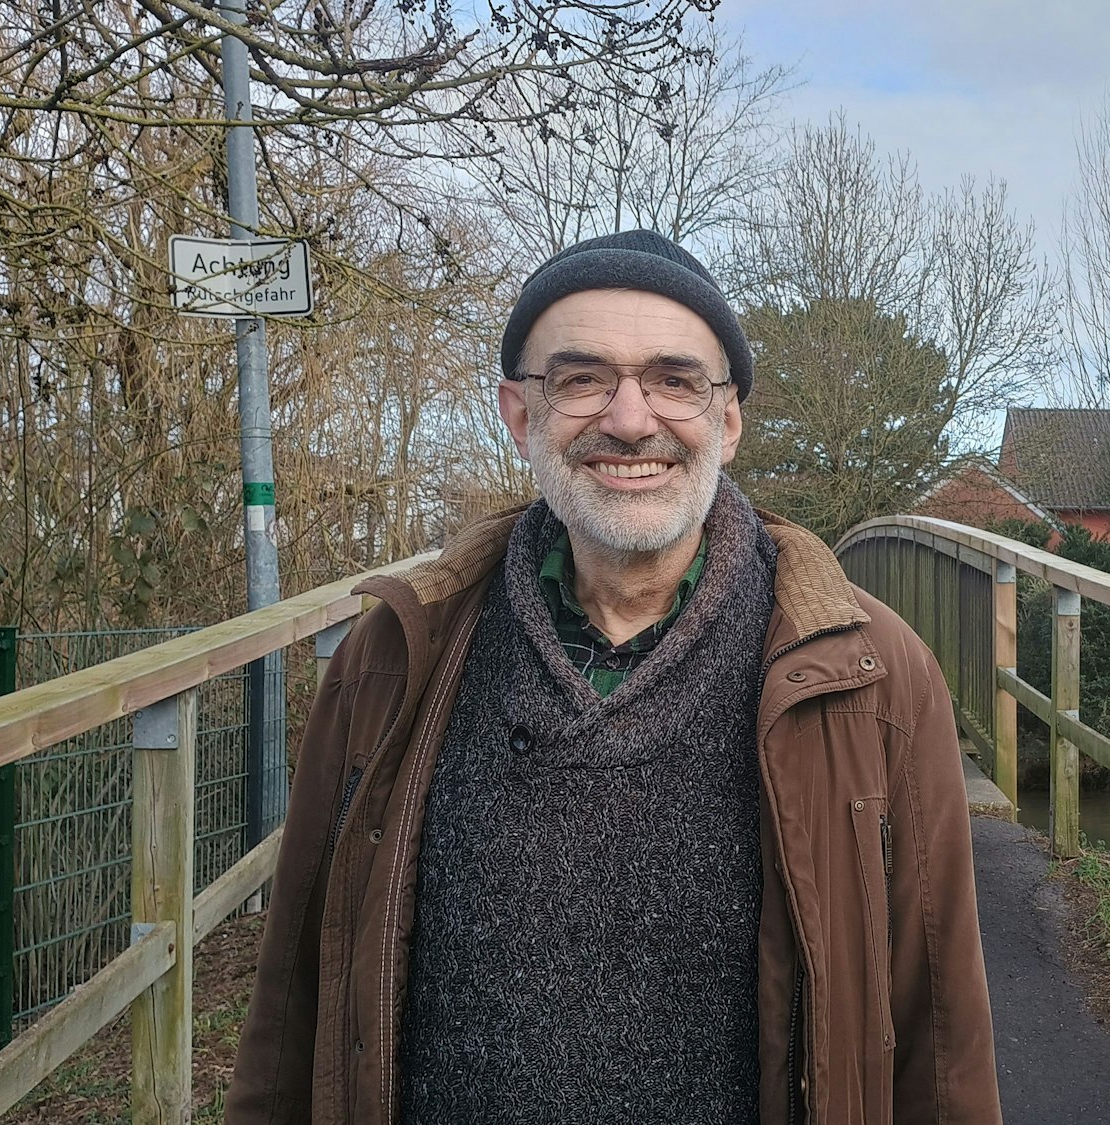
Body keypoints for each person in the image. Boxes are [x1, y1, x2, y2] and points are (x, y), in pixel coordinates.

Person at [224, 231, 1001, 1125]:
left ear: (729, 421)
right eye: (582, 378)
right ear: (520, 414)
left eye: (675, 381)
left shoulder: (875, 680)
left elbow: (940, 1036)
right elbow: (291, 1015)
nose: (631, 420)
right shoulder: (396, 659)